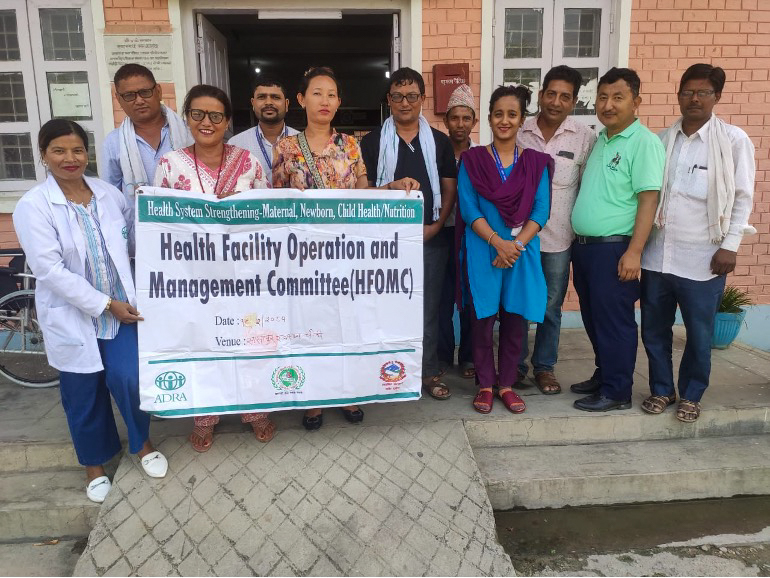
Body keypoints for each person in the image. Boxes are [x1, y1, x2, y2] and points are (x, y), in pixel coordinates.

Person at [13, 119, 168, 504]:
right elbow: (50, 270)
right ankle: (94, 467)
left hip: (122, 310)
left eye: (78, 150)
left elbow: (134, 242)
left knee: (130, 379)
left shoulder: (107, 194)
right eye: (59, 151)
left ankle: (142, 444)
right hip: (75, 315)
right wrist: (104, 304)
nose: (70, 158)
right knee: (83, 393)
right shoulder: (33, 206)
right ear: (44, 155)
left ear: (87, 153)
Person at [154, 84, 272, 451]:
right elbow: (159, 222)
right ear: (187, 118)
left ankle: (255, 410)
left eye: (216, 115)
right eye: (198, 114)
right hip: (195, 278)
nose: (207, 122)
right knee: (203, 344)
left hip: (244, 275)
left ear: (227, 121)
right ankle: (205, 416)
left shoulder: (249, 163)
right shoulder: (170, 164)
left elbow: (268, 217)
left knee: (249, 339)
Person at [640, 64, 756, 422]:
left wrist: (731, 244)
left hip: (704, 257)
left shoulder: (733, 140)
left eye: (703, 92)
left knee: (699, 333)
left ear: (716, 97)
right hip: (657, 255)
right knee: (654, 329)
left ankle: (692, 393)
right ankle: (662, 388)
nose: (694, 98)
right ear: (678, 95)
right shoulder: (663, 140)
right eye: (688, 91)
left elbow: (742, 196)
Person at [272, 67, 370, 430]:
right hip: (303, 257)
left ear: (339, 102)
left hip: (345, 253)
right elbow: (276, 201)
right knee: (309, 325)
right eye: (317, 93)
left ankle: (346, 392)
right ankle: (313, 396)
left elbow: (362, 192)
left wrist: (390, 191)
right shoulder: (285, 147)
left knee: (346, 324)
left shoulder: (350, 145)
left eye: (331, 94)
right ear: (301, 100)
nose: (324, 100)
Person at [569, 68, 665, 412]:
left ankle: (617, 391)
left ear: (636, 102)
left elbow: (648, 200)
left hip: (615, 248)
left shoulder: (643, 143)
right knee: (594, 318)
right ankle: (605, 373)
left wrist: (634, 252)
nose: (608, 105)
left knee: (614, 321)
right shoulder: (602, 140)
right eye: (603, 97)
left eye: (618, 98)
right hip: (586, 248)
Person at [361, 67, 458, 401]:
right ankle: (386, 372)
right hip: (383, 244)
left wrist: (434, 226)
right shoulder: (372, 142)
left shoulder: (440, 142)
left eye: (412, 96)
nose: (405, 103)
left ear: (423, 99)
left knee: (427, 309)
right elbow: (363, 191)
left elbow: (449, 190)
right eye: (398, 96)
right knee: (385, 308)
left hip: (430, 239)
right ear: (389, 100)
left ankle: (427, 372)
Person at [457, 85, 553, 414]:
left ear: (522, 120)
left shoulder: (535, 164)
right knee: (482, 320)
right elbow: (469, 208)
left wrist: (516, 245)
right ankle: (485, 384)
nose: (504, 120)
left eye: (512, 114)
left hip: (520, 252)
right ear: (489, 118)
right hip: (483, 248)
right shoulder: (472, 161)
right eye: (498, 114)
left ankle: (507, 384)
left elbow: (541, 210)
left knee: (515, 320)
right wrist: (498, 243)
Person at [516, 65, 597, 395]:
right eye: (551, 94)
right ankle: (515, 365)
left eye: (565, 96)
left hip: (559, 238)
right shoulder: (520, 130)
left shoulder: (584, 137)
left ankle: (544, 367)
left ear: (574, 101)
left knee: (551, 306)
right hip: (520, 236)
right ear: (540, 95)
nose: (556, 102)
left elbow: (588, 187)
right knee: (518, 303)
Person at [102, 64, 192, 231]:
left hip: (187, 230)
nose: (139, 100)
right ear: (119, 99)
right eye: (129, 95)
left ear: (158, 91)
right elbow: (110, 198)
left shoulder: (189, 133)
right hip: (139, 235)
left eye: (145, 92)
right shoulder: (113, 143)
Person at [439, 84, 478, 380]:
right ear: (446, 121)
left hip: (472, 236)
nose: (460, 124)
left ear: (474, 122)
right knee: (441, 298)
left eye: (466, 118)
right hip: (441, 234)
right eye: (455, 118)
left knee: (469, 298)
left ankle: (468, 357)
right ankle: (442, 357)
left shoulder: (480, 157)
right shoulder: (436, 153)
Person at [228, 78, 299, 184]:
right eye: (261, 97)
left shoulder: (302, 141)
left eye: (275, 97)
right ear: (253, 103)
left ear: (286, 104)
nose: (268, 102)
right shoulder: (236, 145)